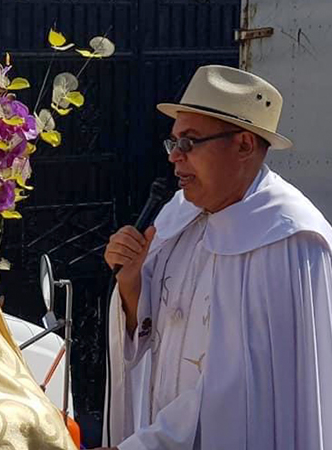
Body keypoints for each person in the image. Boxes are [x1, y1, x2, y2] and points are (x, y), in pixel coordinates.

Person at [97, 65, 332, 449]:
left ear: (243, 145)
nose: (175, 158)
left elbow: (237, 394)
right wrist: (132, 285)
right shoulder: (178, 215)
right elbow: (159, 329)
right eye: (172, 143)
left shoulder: (287, 238)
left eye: (189, 143)